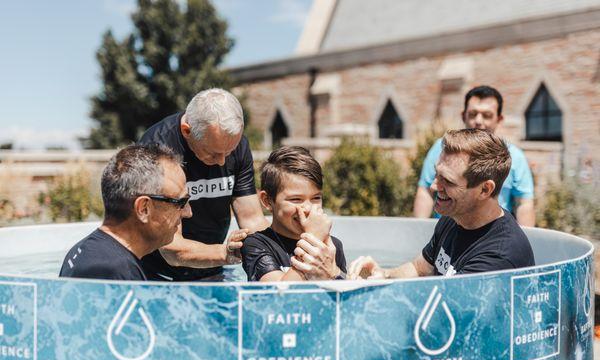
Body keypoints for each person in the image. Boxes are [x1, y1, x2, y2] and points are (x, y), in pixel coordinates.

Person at [301, 129, 535, 280]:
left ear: (485, 189)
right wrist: (382, 274)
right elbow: (419, 268)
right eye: (437, 175)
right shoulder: (453, 220)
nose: (434, 186)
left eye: (448, 181)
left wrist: (333, 276)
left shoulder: (499, 256)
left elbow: (434, 315)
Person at [138, 88, 269, 281]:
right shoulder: (157, 150)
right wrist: (226, 254)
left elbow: (252, 220)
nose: (223, 161)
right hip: (158, 274)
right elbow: (172, 250)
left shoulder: (236, 145)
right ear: (186, 130)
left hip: (213, 267)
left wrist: (271, 258)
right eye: (214, 153)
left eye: (229, 151)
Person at [59, 144, 192, 280]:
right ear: (144, 209)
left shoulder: (89, 250)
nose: (188, 213)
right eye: (180, 203)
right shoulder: (114, 272)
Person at [414, 85, 535, 226]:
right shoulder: (442, 148)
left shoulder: (515, 157)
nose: (478, 120)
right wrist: (419, 231)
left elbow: (524, 203)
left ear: (499, 119)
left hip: (490, 235)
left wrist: (526, 240)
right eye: (472, 114)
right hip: (445, 233)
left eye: (487, 115)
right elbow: (426, 191)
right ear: (463, 115)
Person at [241, 146, 347, 282]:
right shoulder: (256, 244)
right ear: (267, 201)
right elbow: (277, 296)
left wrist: (335, 273)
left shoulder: (333, 246)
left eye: (316, 198)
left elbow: (343, 297)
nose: (308, 208)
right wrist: (313, 238)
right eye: (296, 199)